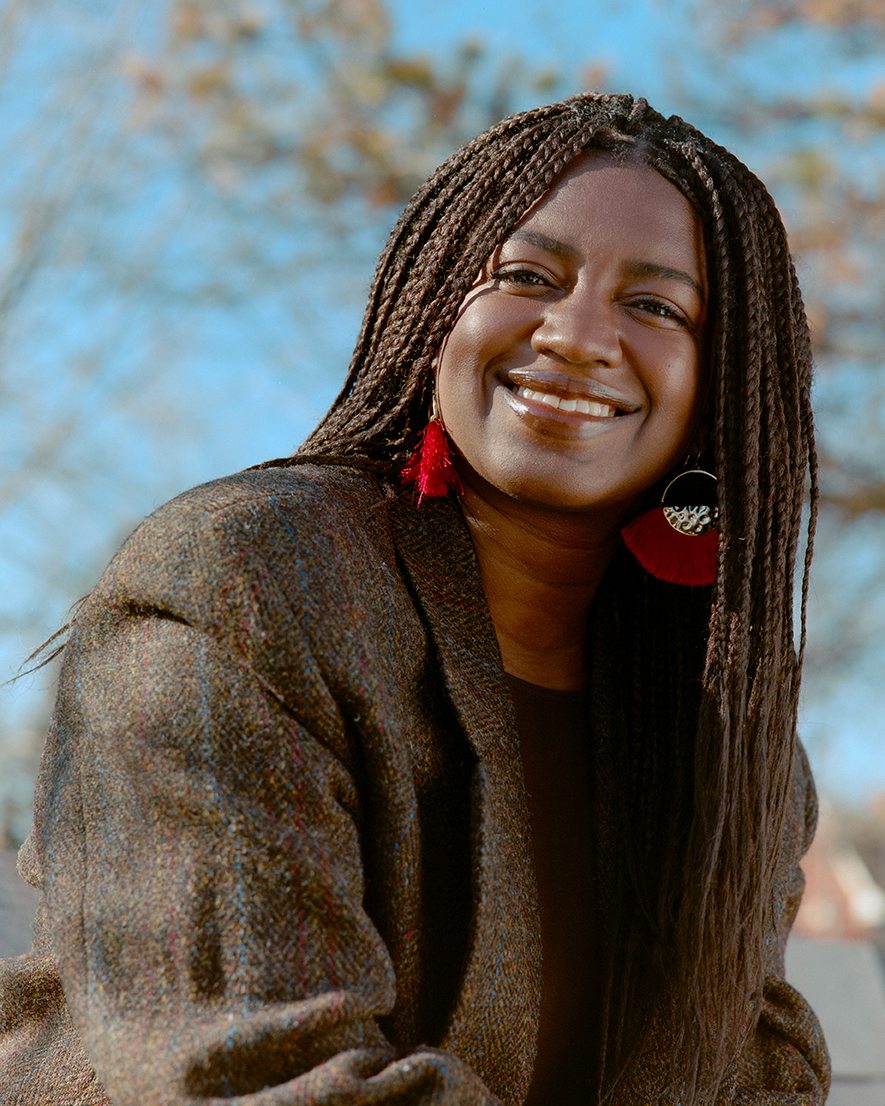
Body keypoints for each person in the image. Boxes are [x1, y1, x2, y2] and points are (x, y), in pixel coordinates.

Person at [0, 93, 829, 1105]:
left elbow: (756, 1067)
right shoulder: (244, 581)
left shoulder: (730, 732)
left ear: (723, 388)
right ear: (435, 311)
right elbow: (250, 1068)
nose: (575, 335)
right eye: (527, 276)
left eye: (656, 306)